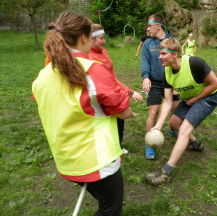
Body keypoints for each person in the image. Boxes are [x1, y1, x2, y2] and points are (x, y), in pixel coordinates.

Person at [32, 11, 133, 215]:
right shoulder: (94, 71)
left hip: (65, 161)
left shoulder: (42, 76)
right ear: (85, 37)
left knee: (104, 198)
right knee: (110, 208)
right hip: (97, 161)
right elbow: (125, 113)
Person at [145, 37, 217, 185]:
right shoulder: (166, 73)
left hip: (208, 97)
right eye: (159, 53)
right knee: (173, 124)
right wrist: (159, 125)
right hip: (189, 98)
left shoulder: (195, 63)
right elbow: (167, 101)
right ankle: (196, 144)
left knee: (185, 128)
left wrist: (195, 99)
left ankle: (166, 172)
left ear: (175, 54)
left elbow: (216, 83)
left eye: (163, 54)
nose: (159, 57)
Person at [89, 23, 143, 155]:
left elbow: (112, 78)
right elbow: (107, 81)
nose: (104, 41)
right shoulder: (90, 58)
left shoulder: (103, 51)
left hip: (114, 90)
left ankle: (117, 145)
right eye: (101, 38)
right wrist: (128, 92)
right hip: (103, 94)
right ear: (91, 39)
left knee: (119, 119)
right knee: (109, 121)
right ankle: (107, 149)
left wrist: (127, 91)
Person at [141, 14, 180, 160]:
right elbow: (144, 61)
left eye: (150, 26)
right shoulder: (147, 43)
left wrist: (177, 82)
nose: (147, 29)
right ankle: (149, 144)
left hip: (171, 81)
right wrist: (145, 77)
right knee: (153, 112)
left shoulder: (173, 41)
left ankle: (172, 128)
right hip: (155, 82)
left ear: (158, 26)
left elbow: (178, 62)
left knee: (175, 109)